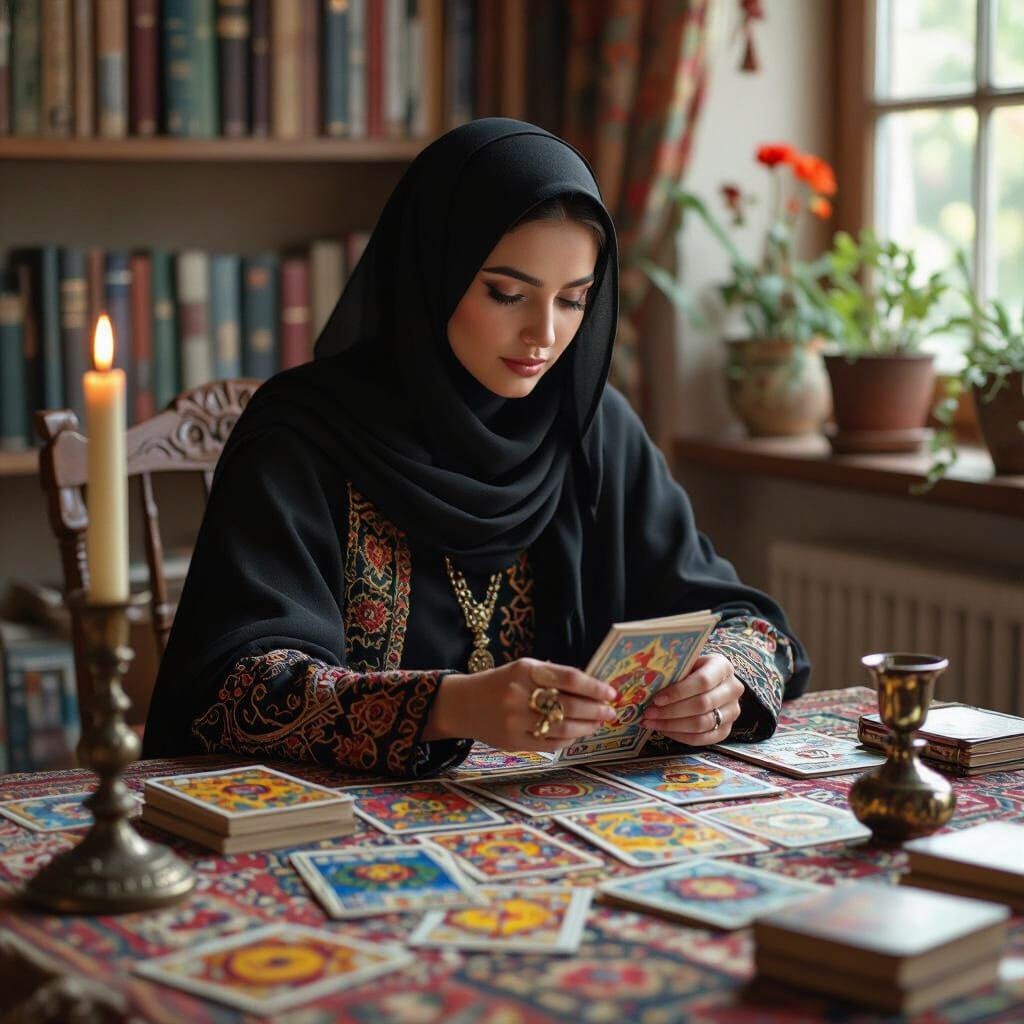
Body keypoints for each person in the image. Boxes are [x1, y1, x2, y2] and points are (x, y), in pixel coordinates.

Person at [142, 118, 809, 776]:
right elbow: (237, 691)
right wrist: (450, 706)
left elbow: (747, 622)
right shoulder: (302, 435)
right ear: (433, 273)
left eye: (574, 300)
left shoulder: (591, 428)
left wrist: (722, 680)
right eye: (507, 293)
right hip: (332, 837)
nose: (543, 335)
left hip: (554, 835)